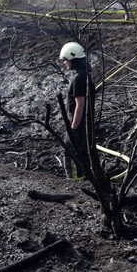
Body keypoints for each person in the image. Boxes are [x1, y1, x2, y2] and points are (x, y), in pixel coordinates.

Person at [59, 41, 94, 179]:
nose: (64, 63)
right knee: (83, 154)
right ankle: (84, 179)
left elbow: (80, 104)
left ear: (72, 60)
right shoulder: (86, 76)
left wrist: (73, 128)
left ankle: (74, 183)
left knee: (70, 153)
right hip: (85, 124)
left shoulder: (78, 79)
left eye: (65, 60)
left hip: (77, 125)